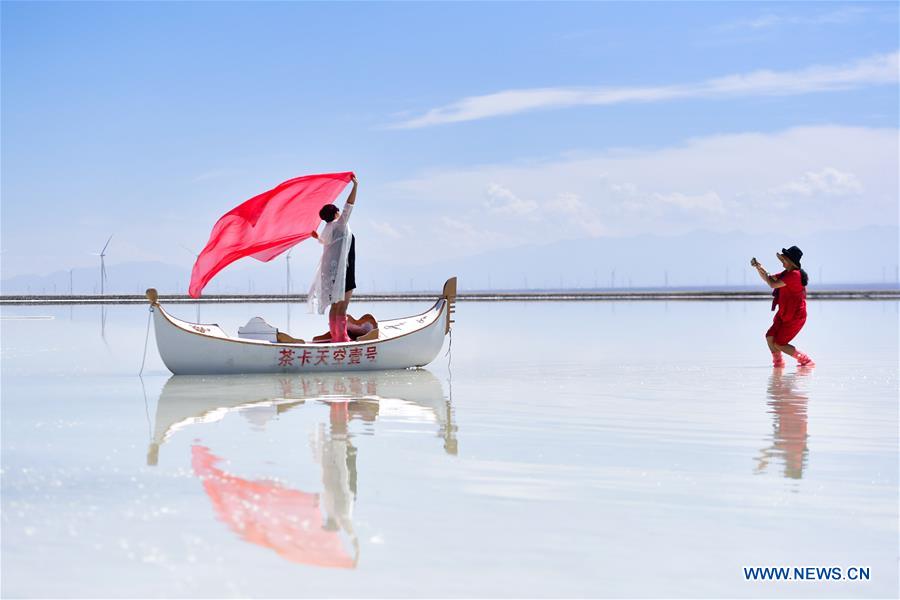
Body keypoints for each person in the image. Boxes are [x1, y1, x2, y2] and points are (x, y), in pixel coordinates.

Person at [309, 175, 358, 342]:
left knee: (335, 307)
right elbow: (349, 205)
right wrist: (355, 186)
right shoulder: (340, 224)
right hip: (345, 270)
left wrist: (315, 236)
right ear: (336, 213)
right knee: (342, 306)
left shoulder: (328, 229)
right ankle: (342, 338)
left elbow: (323, 241)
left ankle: (336, 336)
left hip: (331, 273)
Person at [751, 246, 814, 368]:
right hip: (784, 313)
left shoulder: (794, 275)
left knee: (780, 343)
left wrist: (764, 272)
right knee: (770, 337)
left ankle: (806, 361)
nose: (782, 263)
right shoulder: (786, 273)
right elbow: (769, 278)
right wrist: (759, 267)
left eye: (784, 260)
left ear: (790, 261)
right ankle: (778, 364)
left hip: (795, 316)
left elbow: (772, 284)